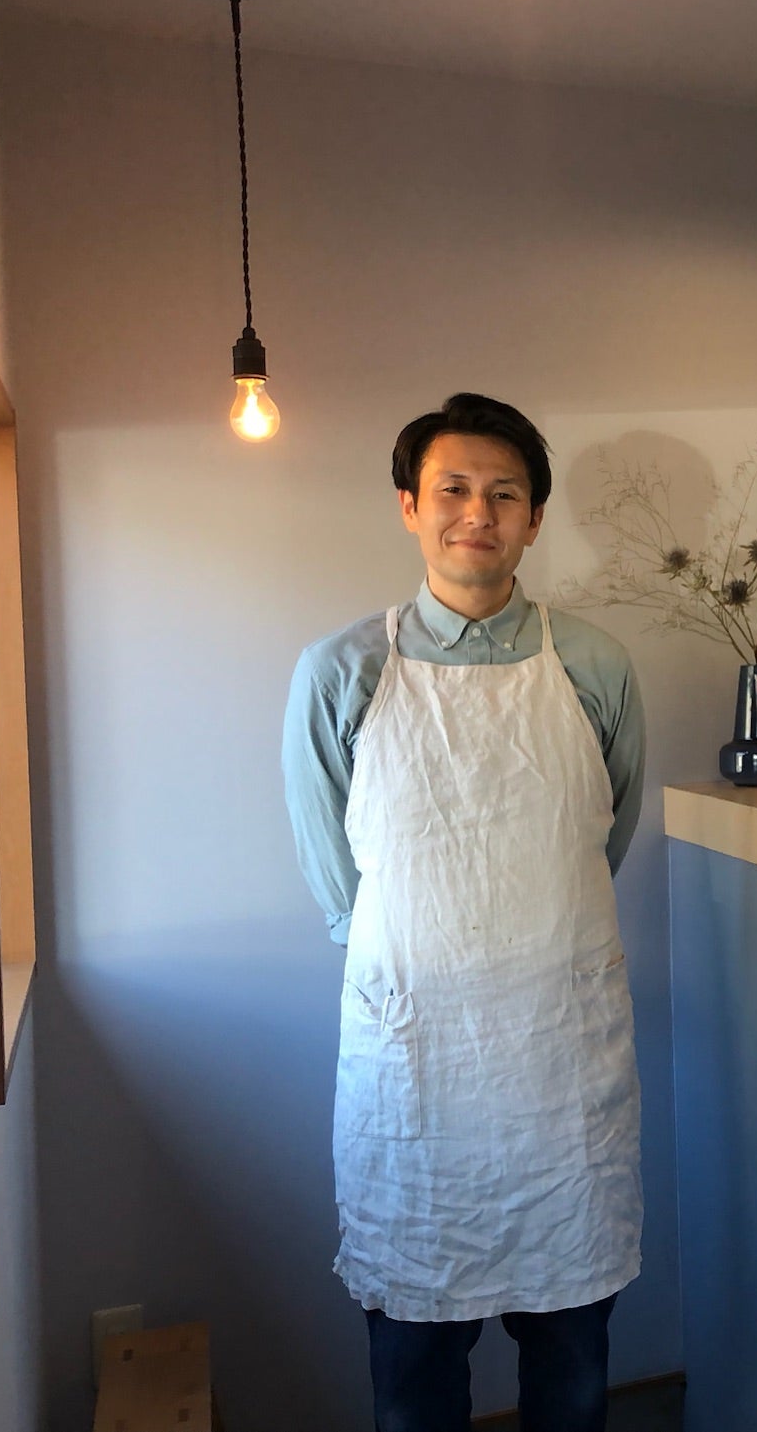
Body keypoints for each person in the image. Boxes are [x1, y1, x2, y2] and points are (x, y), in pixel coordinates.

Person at [282, 393, 645, 1432]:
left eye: (504, 493)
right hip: (417, 1072)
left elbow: (596, 843)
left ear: (533, 518)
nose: (476, 512)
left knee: (573, 1366)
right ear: (409, 505)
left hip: (559, 1069)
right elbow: (339, 886)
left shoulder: (596, 666)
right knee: (414, 1381)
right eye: (452, 488)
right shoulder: (340, 673)